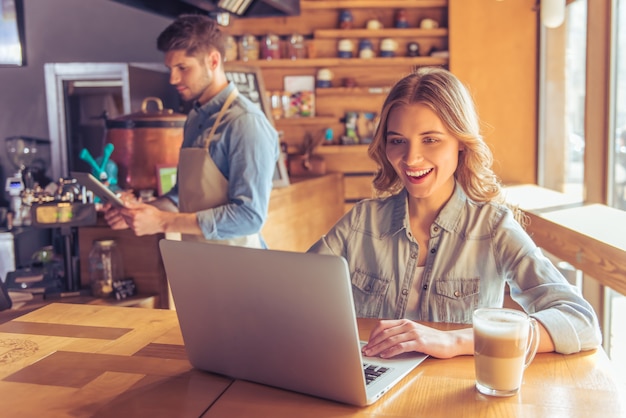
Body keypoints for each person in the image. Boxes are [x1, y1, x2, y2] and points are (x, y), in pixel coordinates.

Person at [308, 67, 602, 359]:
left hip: (456, 394)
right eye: (397, 140)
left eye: (430, 139)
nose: (411, 158)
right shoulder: (361, 222)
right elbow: (289, 296)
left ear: (461, 142)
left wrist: (454, 341)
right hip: (374, 390)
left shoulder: (494, 226)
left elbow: (581, 322)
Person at [104, 15, 279, 248]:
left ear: (213, 61)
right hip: (200, 264)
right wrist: (141, 212)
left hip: (242, 270)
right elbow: (181, 197)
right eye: (170, 68)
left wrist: (163, 223)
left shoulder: (245, 123)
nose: (173, 78)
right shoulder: (195, 118)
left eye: (182, 67)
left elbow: (249, 217)